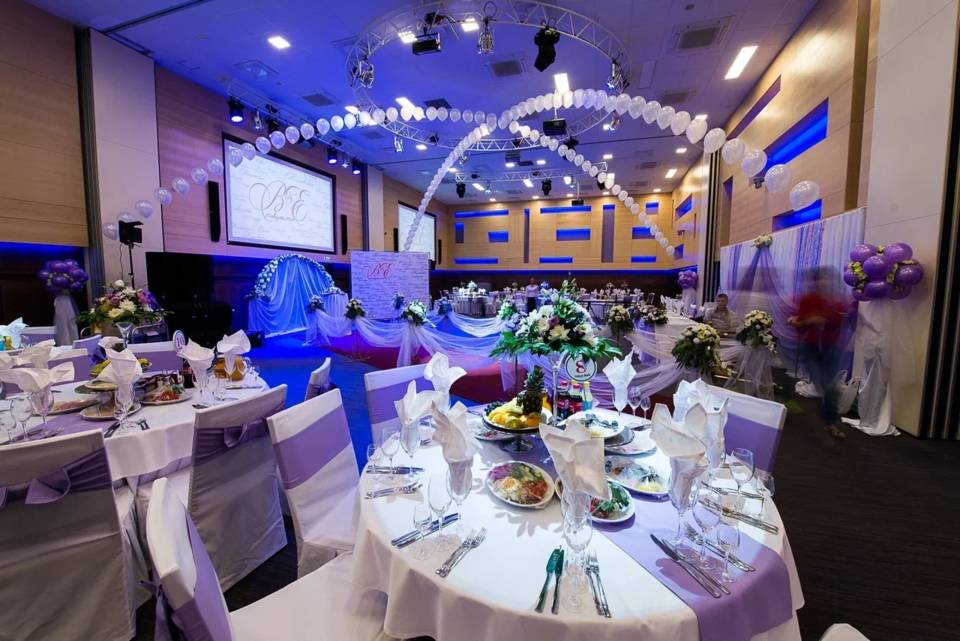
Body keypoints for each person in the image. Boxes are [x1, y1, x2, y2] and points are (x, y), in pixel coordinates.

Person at [789, 267, 849, 439]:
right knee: (824, 384)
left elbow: (840, 319)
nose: (824, 282)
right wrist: (806, 321)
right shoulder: (808, 300)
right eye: (820, 279)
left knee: (830, 386)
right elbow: (799, 323)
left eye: (827, 278)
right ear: (815, 282)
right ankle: (829, 420)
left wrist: (820, 319)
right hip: (811, 347)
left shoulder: (837, 300)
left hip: (830, 347)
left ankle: (830, 422)